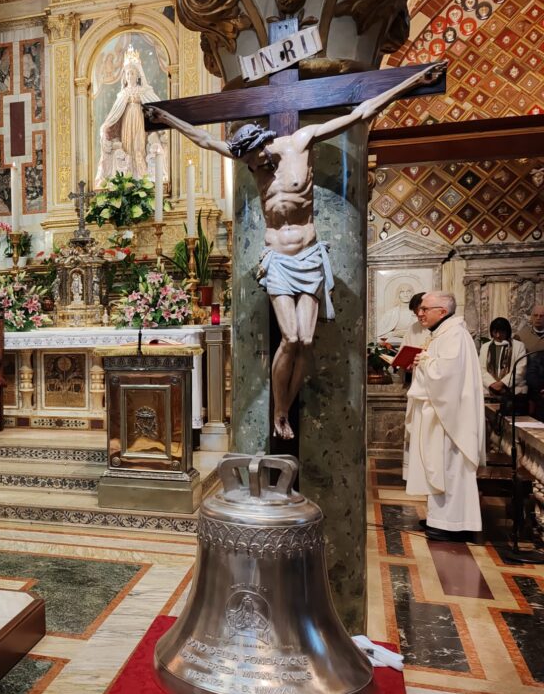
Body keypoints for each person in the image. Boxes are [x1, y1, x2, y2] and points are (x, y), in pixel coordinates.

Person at [147, 61, 445, 439]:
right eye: (248, 164)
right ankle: (280, 411)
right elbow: (204, 139)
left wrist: (412, 81)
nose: (254, 168)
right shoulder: (249, 160)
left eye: (256, 160)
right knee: (290, 338)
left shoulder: (301, 142)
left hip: (308, 254)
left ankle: (285, 408)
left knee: (305, 340)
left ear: (264, 145)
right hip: (277, 258)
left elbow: (361, 112)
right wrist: (167, 118)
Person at [404, 292, 485, 540]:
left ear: (442, 311)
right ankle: (439, 518)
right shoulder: (442, 333)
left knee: (450, 468)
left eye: (425, 309)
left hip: (451, 418)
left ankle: (454, 524)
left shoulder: (455, 335)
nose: (420, 313)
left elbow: (447, 375)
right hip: (439, 413)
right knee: (438, 467)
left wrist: (424, 361)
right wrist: (421, 362)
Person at [94, 46, 168, 188]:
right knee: (127, 145)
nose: (129, 76)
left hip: (139, 120)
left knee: (139, 144)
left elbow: (155, 104)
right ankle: (128, 176)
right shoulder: (122, 94)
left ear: (138, 75)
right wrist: (105, 127)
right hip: (127, 121)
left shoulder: (143, 90)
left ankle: (141, 174)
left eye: (132, 73)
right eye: (127, 73)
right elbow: (115, 113)